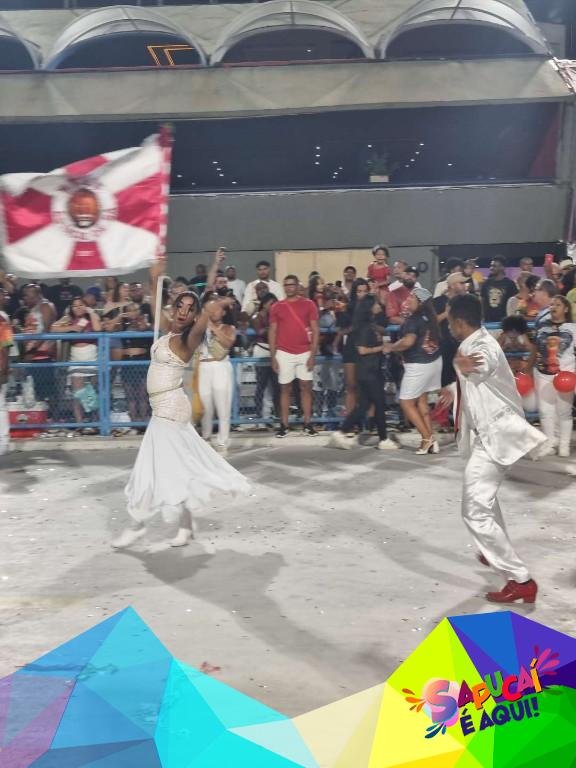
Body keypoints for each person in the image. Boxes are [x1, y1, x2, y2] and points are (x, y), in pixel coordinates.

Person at [112, 261, 249, 550]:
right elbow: (155, 305)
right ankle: (186, 526)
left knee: (150, 469)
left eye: (189, 308)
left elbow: (206, 313)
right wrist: (153, 278)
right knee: (177, 467)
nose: (183, 311)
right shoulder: (168, 332)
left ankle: (137, 525)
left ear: (195, 315)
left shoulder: (189, 338)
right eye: (180, 306)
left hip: (170, 410)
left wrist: (216, 301)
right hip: (164, 409)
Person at [442, 294, 546, 603]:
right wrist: (453, 388)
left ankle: (520, 579)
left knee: (474, 511)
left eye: (449, 321)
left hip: (494, 437)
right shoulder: (473, 343)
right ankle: (492, 551)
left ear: (459, 322)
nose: (448, 326)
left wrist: (461, 365)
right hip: (482, 437)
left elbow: (482, 365)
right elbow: (475, 380)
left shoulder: (483, 347)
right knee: (485, 502)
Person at [330, 295, 397, 451]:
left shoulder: (370, 326)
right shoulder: (365, 328)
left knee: (364, 406)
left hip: (371, 370)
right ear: (369, 307)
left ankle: (341, 432)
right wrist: (381, 348)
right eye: (376, 304)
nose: (379, 306)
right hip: (368, 371)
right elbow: (362, 350)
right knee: (379, 403)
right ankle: (383, 439)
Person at [383, 287, 442, 454]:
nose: (407, 301)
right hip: (433, 362)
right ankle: (431, 440)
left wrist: (391, 347)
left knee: (406, 402)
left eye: (412, 298)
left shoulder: (413, 320)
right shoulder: (429, 318)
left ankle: (426, 439)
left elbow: (408, 342)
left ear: (420, 302)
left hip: (418, 365)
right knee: (422, 401)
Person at [269, 274, 319, 438]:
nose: (289, 287)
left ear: (297, 286)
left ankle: (307, 423)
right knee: (285, 389)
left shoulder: (309, 304)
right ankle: (284, 425)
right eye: (286, 285)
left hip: (305, 351)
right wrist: (273, 356)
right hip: (284, 352)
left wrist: (312, 354)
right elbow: (273, 331)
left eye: (292, 284)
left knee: (306, 387)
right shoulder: (277, 307)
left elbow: (315, 329)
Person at [533, 295, 576, 458]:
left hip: (565, 374)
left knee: (564, 411)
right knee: (545, 411)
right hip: (543, 374)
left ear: (566, 309)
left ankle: (564, 445)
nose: (553, 307)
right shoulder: (542, 327)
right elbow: (535, 349)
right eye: (551, 304)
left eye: (557, 304)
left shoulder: (573, 328)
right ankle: (550, 443)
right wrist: (529, 368)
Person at [51, 297, 102, 432]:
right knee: (78, 394)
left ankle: (94, 423)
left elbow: (98, 329)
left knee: (92, 392)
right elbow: (53, 328)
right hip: (76, 357)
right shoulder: (68, 318)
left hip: (92, 357)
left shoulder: (92, 317)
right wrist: (72, 327)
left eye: (81, 305)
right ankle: (80, 424)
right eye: (75, 306)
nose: (78, 308)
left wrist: (90, 312)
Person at [196, 295, 236, 452]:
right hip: (203, 367)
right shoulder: (200, 327)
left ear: (223, 312)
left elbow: (228, 343)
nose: (213, 312)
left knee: (222, 406)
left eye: (216, 309)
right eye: (209, 309)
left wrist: (212, 328)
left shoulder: (229, 328)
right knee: (205, 407)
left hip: (221, 367)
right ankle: (206, 438)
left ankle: (222, 441)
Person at [433, 272, 468, 388]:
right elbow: (432, 322)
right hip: (444, 345)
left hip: (461, 343)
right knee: (446, 378)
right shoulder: (439, 301)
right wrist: (446, 313)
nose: (465, 286)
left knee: (462, 377)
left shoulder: (464, 301)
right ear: (452, 285)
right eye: (461, 283)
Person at [251, 293, 280, 422]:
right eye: (271, 303)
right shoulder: (257, 316)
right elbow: (260, 331)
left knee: (276, 386)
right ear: (264, 304)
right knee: (261, 385)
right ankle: (259, 415)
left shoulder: (275, 316)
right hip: (262, 351)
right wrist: (273, 328)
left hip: (274, 351)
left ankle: (276, 415)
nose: (273, 306)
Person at [481, 258, 518, 323]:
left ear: (502, 267)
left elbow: (514, 303)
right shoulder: (486, 283)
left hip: (505, 321)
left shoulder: (510, 284)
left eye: (494, 266)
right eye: (491, 266)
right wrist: (482, 317)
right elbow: (482, 301)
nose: (491, 268)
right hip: (488, 321)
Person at [0, 312, 13, 456]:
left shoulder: (2, 319)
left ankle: (3, 442)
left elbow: (6, 345)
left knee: (0, 405)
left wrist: (3, 368)